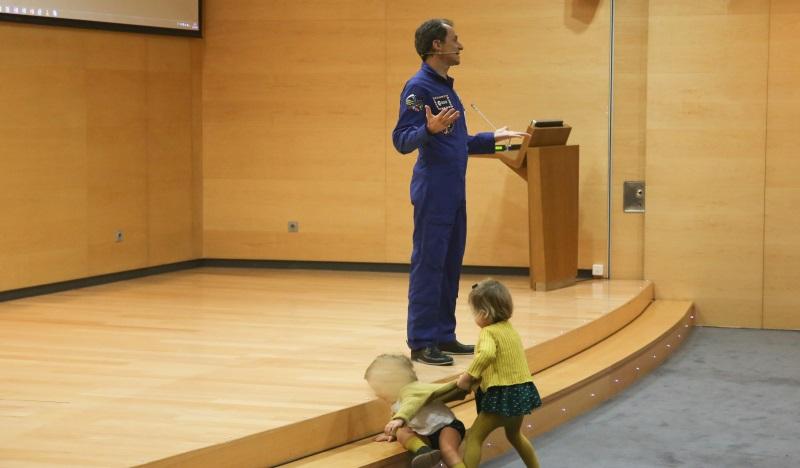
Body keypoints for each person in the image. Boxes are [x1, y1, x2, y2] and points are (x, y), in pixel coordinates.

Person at [392, 19, 529, 366]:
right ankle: (422, 342)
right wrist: (427, 127)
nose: (461, 45)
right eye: (455, 39)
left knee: (449, 264)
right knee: (429, 265)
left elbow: (459, 143)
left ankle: (443, 334)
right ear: (437, 45)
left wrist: (491, 138)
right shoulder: (418, 87)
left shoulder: (448, 89)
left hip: (454, 192)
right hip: (433, 191)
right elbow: (401, 140)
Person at [456, 279, 542, 468]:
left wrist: (468, 376)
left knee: (473, 438)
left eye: (474, 313)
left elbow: (486, 354)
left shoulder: (488, 332)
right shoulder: (510, 330)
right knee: (515, 435)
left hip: (502, 397)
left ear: (484, 313)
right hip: (520, 394)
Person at [365, 354, 469, 468]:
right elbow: (398, 414)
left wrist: (399, 419)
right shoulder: (396, 401)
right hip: (425, 433)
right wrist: (392, 433)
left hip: (447, 427)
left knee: (448, 450)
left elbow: (411, 405)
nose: (377, 394)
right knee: (401, 432)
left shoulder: (413, 389)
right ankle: (423, 451)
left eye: (378, 389)